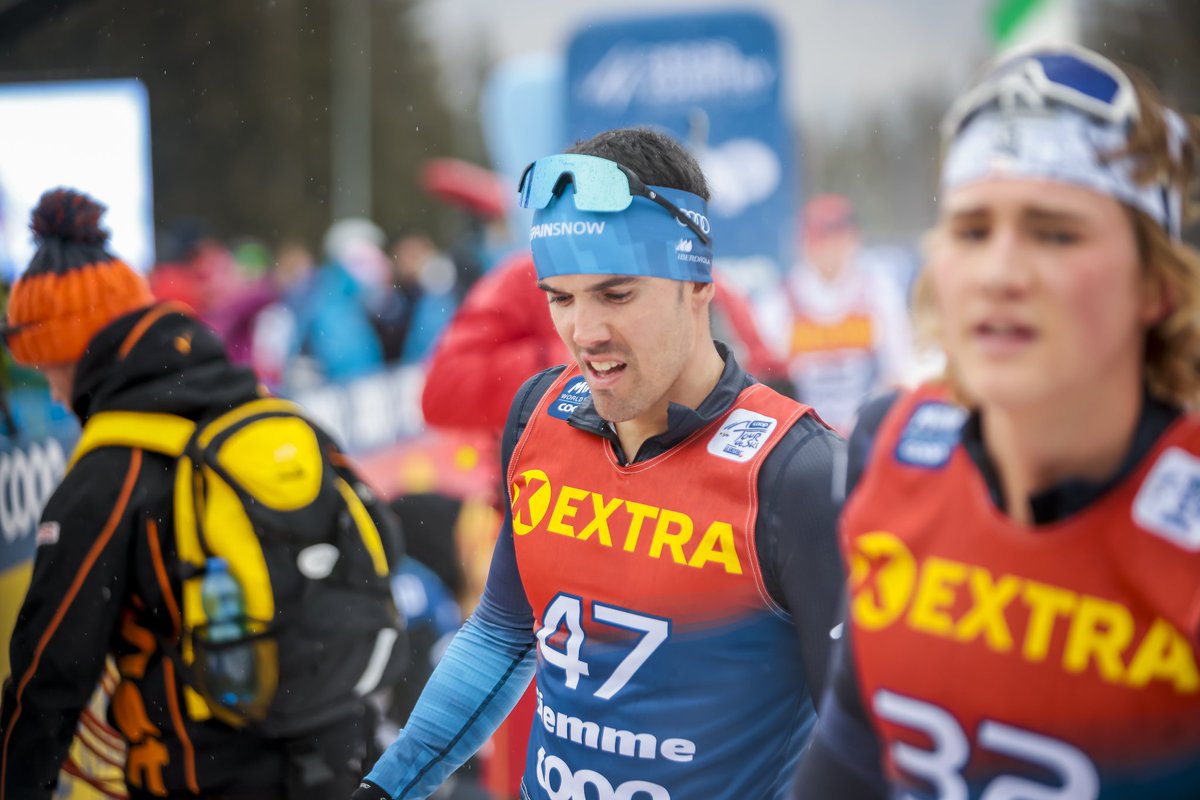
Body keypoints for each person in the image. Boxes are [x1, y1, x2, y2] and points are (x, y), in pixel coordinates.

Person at [355, 127, 845, 800]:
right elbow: (499, 638)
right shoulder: (539, 415)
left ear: (696, 283)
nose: (584, 334)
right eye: (560, 297)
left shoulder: (798, 476)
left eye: (616, 295)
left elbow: (867, 748)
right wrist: (387, 789)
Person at [793, 43, 1200, 799]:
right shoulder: (891, 449)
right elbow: (846, 762)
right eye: (973, 230)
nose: (1000, 273)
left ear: (1157, 286)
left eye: (1055, 233)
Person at [0, 188, 403, 800]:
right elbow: (383, 541)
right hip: (341, 757)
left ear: (80, 355)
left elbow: (49, 673)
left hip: (206, 773)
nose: (54, 395)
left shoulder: (113, 467)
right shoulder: (268, 413)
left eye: (50, 368)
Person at [775, 194, 914, 433]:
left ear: (853, 239)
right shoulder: (780, 300)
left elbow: (900, 370)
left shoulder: (879, 292)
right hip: (804, 436)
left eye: (838, 238)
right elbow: (772, 379)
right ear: (805, 244)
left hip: (866, 432)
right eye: (822, 239)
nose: (831, 249)